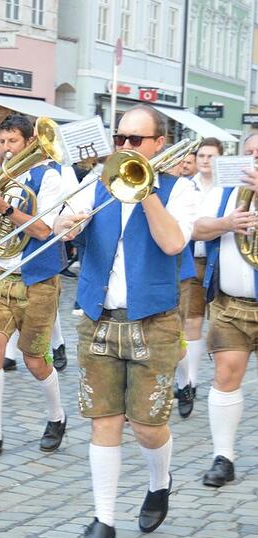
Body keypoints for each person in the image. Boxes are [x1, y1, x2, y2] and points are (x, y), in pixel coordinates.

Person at [52, 105, 196, 537]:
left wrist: (145, 188)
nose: (125, 147)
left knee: (149, 427)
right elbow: (60, 224)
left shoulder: (179, 190)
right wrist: (65, 224)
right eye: (120, 139)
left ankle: (159, 481)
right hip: (98, 318)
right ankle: (105, 519)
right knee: (104, 421)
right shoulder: (96, 184)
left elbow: (173, 243)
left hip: (154, 322)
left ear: (159, 144)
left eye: (135, 140)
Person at [0, 114, 67, 458]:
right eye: (3, 142)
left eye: (13, 142)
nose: (7, 149)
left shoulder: (48, 177)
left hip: (37, 279)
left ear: (30, 143)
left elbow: (43, 230)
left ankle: (56, 416)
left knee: (34, 359)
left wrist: (4, 208)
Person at [191, 132, 258, 490]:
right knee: (225, 375)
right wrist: (227, 223)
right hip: (231, 303)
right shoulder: (224, 189)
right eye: (249, 152)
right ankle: (224, 457)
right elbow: (196, 228)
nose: (254, 158)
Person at [174, 137, 224, 418]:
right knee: (191, 321)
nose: (205, 160)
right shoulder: (187, 186)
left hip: (219, 261)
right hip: (192, 258)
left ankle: (220, 380)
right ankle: (189, 381)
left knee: (217, 324)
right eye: (202, 156)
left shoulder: (226, 188)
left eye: (210, 156)